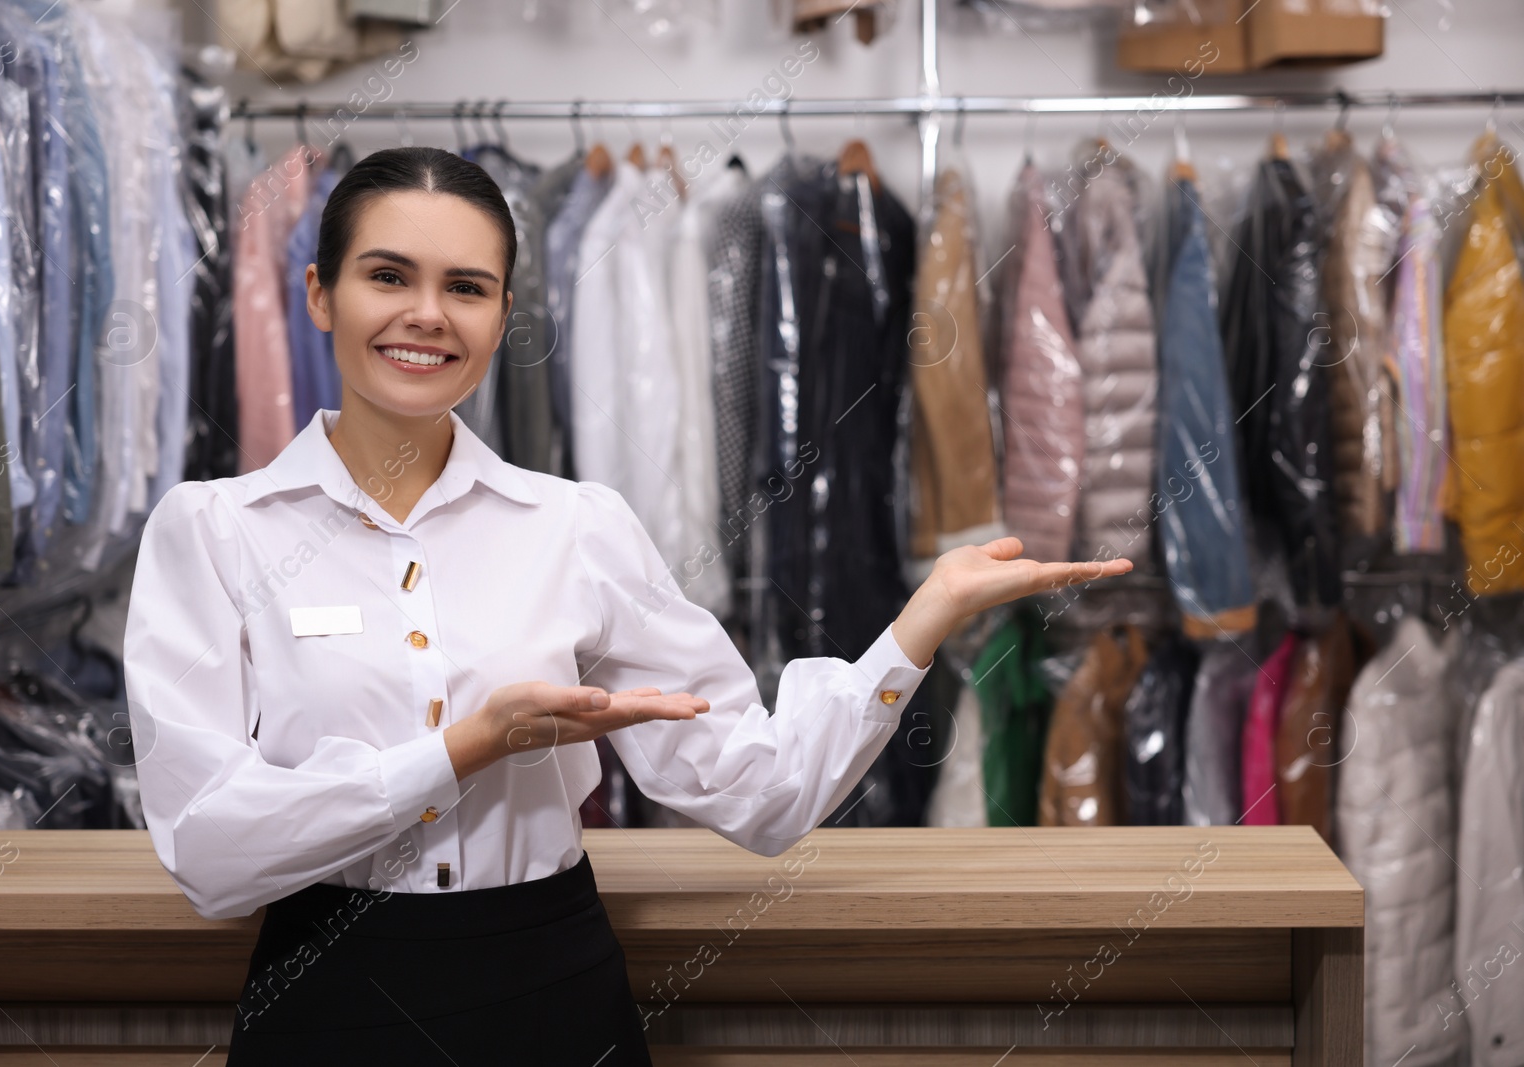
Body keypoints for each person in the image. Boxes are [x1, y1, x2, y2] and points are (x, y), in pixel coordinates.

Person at [121, 146, 1132, 1065]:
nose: (426, 314)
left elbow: (762, 797)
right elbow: (211, 854)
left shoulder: (578, 527)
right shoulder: (213, 531)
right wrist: (467, 745)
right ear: (319, 294)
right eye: (388, 275)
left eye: (465, 288)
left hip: (549, 993)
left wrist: (925, 615)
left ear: (504, 314)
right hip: (326, 996)